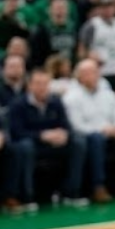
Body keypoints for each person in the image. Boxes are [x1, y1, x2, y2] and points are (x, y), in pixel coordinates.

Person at [7, 69, 90, 207]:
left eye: (45, 83)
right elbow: (16, 132)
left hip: (53, 144)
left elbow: (66, 125)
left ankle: (71, 193)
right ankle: (28, 197)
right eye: (38, 83)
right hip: (32, 144)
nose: (42, 87)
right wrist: (42, 135)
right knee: (25, 147)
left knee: (78, 142)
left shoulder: (56, 102)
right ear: (30, 85)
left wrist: (63, 134)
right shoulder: (18, 105)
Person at [61, 59, 115, 203]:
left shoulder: (109, 94)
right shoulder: (72, 97)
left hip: (112, 133)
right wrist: (103, 130)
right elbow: (77, 126)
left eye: (95, 72)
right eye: (87, 73)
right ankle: (98, 186)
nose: (92, 76)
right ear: (79, 76)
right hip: (88, 136)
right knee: (96, 139)